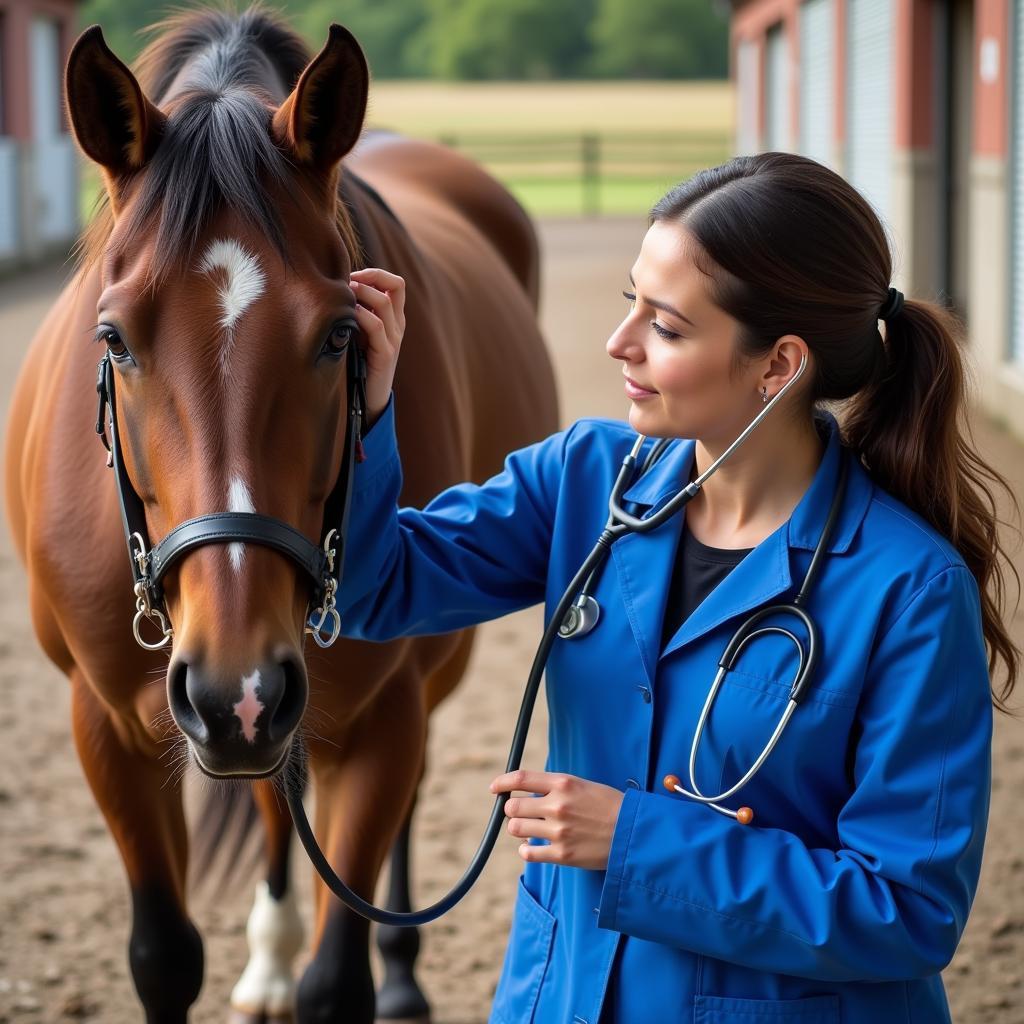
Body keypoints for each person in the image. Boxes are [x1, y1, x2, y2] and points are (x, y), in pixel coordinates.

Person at [326, 152, 1019, 1024]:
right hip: (561, 998)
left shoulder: (910, 591)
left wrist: (634, 843)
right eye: (630, 305)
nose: (619, 345)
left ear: (779, 365)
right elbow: (373, 589)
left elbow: (908, 914)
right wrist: (367, 406)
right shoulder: (584, 479)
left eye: (667, 326)